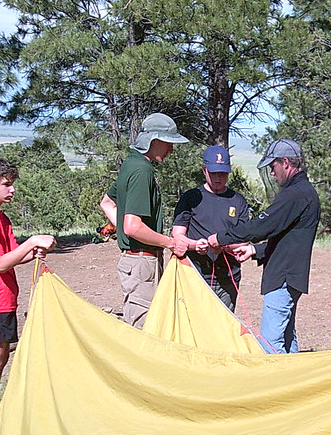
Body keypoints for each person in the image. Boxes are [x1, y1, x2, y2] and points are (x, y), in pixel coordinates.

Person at [0, 157, 57, 435]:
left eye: (12, 184)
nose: (12, 190)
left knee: (2, 358)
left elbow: (12, 255)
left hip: (4, 298)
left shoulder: (0, 217)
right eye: (6, 184)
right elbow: (1, 264)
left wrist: (36, 251)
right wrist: (31, 242)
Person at [207, 139, 319, 353]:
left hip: (283, 277)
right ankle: (293, 382)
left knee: (270, 344)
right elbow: (288, 237)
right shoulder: (303, 192)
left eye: (273, 166)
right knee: (287, 338)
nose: (272, 173)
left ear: (285, 162)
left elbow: (261, 226)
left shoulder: (295, 194)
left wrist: (222, 238)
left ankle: (275, 385)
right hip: (290, 275)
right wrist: (253, 250)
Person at [99, 113, 191, 328]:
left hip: (137, 261)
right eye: (169, 143)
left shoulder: (131, 164)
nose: (171, 150)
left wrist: (122, 230)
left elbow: (107, 203)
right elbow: (132, 226)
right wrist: (170, 243)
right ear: (155, 140)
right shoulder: (142, 171)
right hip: (142, 263)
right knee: (145, 329)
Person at [172, 145, 256, 311]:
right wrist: (196, 245)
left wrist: (223, 245)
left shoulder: (238, 200)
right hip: (194, 274)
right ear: (204, 170)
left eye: (223, 173)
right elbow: (178, 235)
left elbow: (244, 240)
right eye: (214, 172)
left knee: (223, 329)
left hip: (227, 277)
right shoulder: (191, 198)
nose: (219, 177)